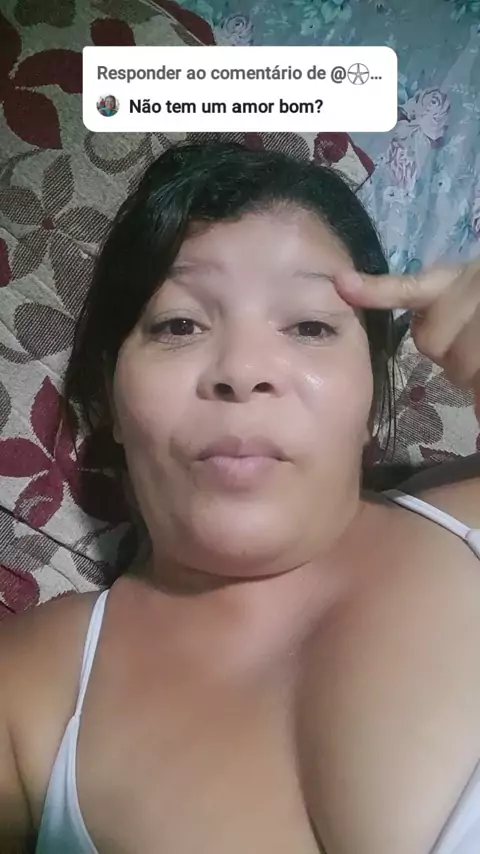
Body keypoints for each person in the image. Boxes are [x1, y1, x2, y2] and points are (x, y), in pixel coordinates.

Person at [0, 141, 479, 854]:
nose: (244, 369)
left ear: (373, 392)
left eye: (310, 326)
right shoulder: (30, 684)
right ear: (108, 400)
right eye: (180, 324)